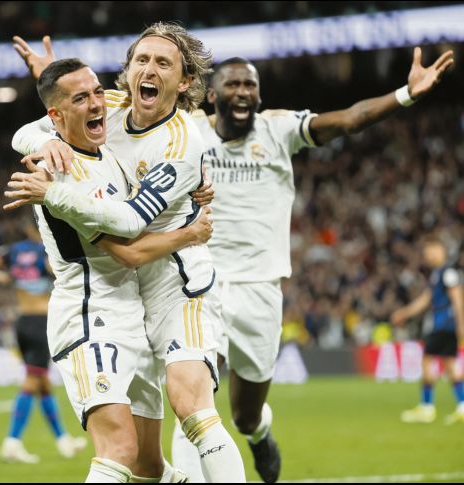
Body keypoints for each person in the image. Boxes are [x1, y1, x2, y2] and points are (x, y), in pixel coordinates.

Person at [170, 47, 455, 483]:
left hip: (261, 289)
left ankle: (259, 432)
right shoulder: (188, 133)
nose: (243, 91)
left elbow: (350, 119)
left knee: (245, 415)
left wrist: (405, 94)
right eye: (233, 84)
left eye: (250, 85)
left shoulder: (278, 129)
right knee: (193, 402)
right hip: (202, 286)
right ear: (212, 95)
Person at [8, 23, 245, 482]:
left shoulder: (181, 142)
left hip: (176, 285)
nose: (149, 70)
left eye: (163, 63)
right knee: (144, 463)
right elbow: (28, 131)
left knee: (192, 407)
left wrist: (187, 235)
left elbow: (131, 225)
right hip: (123, 296)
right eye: (141, 60)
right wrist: (48, 137)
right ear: (128, 69)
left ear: (185, 82)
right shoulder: (111, 107)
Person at [0, 218, 87, 464]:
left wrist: (6, 278)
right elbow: (60, 272)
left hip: (22, 321)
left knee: (43, 384)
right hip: (42, 322)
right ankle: (12, 442)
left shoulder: (13, 251)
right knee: (32, 382)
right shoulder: (48, 250)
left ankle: (63, 440)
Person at [391, 236, 464, 424]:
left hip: (444, 325)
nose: (429, 255)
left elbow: (457, 299)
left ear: (441, 250)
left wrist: (461, 325)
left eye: (432, 250)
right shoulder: (437, 274)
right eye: (427, 252)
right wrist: (405, 313)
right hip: (445, 325)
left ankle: (426, 407)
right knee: (449, 365)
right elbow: (425, 300)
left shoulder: (447, 273)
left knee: (427, 361)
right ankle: (462, 406)